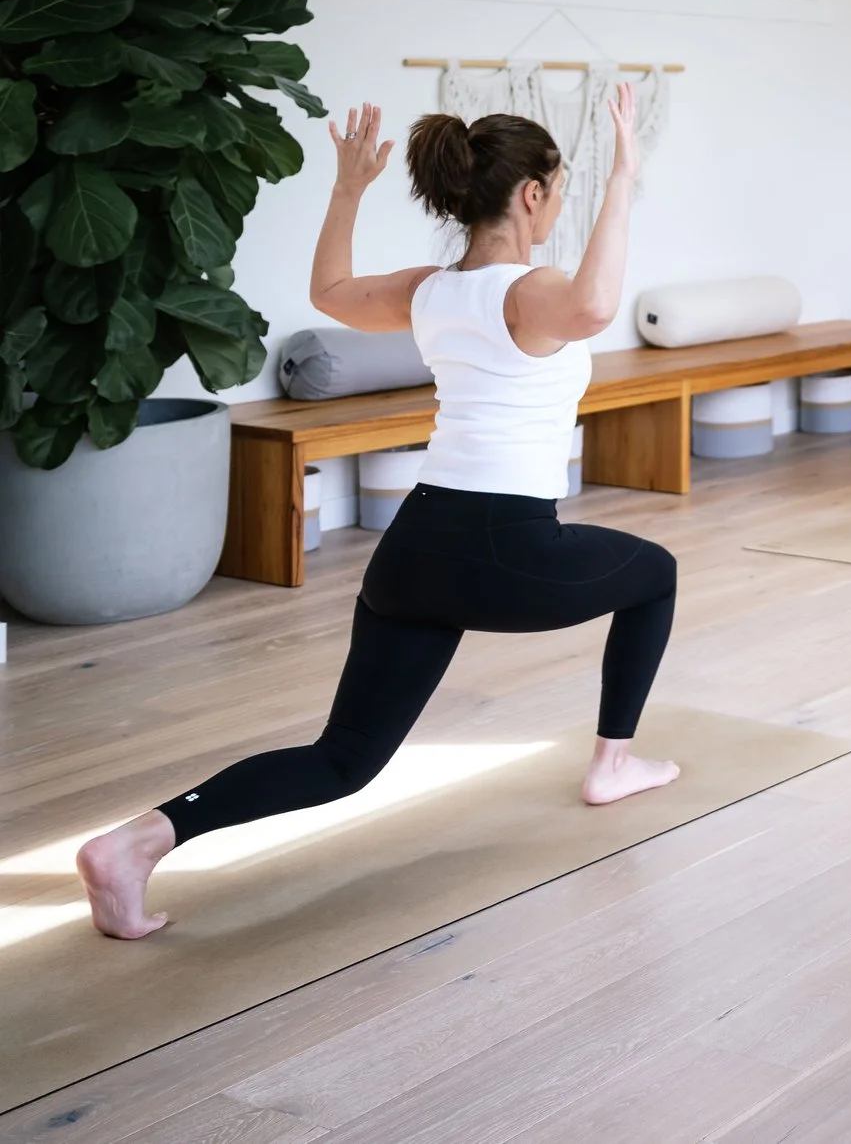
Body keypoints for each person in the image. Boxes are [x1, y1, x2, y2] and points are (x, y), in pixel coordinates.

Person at [75, 93, 682, 940]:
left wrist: (349, 186)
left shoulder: (432, 290)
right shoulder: (533, 290)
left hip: (414, 548)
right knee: (656, 574)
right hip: (506, 546)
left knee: (342, 759)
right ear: (533, 196)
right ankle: (612, 763)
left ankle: (135, 842)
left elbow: (330, 290)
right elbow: (590, 307)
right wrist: (625, 175)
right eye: (559, 189)